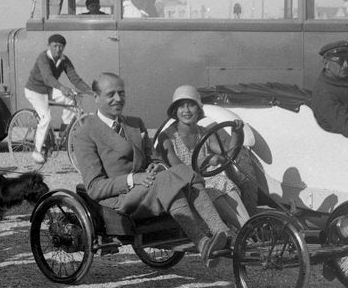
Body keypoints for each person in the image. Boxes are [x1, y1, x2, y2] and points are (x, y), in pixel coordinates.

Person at [72, 73, 231, 267]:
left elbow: (154, 157)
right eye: (110, 94)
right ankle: (202, 242)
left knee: (184, 172)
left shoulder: (134, 123)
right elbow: (94, 187)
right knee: (166, 180)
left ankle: (221, 231)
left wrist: (157, 165)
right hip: (119, 199)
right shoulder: (85, 133)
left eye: (121, 93)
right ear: (96, 97)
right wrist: (133, 179)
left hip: (148, 187)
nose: (118, 99)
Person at [154, 85, 252, 227]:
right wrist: (205, 160)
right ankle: (247, 229)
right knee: (211, 188)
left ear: (199, 109)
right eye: (181, 106)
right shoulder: (167, 137)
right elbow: (179, 172)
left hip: (208, 182)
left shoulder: (205, 133)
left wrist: (236, 133)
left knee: (224, 182)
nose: (186, 110)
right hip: (184, 187)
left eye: (191, 105)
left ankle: (249, 226)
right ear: (175, 111)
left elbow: (228, 156)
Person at [23, 34, 93, 164]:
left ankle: (63, 132)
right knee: (46, 118)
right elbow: (47, 77)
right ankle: (37, 151)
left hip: (48, 90)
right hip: (35, 91)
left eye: (61, 47)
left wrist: (91, 92)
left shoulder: (64, 60)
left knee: (71, 99)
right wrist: (61, 87)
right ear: (48, 46)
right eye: (55, 46)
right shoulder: (43, 58)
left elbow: (75, 78)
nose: (58, 49)